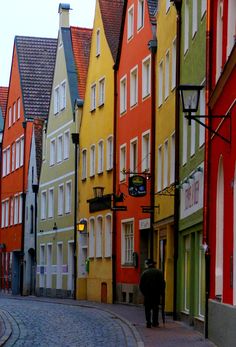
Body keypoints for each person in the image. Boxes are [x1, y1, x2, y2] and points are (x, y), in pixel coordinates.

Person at [139, 259, 165, 328]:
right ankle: (155, 322)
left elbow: (141, 285)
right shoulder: (159, 272)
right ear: (154, 265)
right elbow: (163, 284)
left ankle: (148, 322)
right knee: (155, 309)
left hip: (147, 295)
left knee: (147, 309)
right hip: (156, 294)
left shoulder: (144, 273)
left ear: (148, 265)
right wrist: (161, 292)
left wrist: (144, 293)